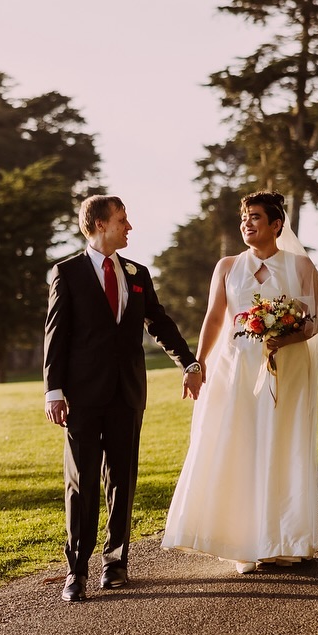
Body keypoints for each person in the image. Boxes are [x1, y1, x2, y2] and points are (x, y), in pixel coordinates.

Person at [44, 195, 203, 601]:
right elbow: (55, 335)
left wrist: (188, 362)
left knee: (122, 480)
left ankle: (115, 564)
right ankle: (77, 571)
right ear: (99, 224)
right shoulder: (67, 273)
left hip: (128, 393)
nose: (129, 227)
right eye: (122, 220)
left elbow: (159, 322)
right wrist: (53, 390)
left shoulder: (137, 273)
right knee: (81, 483)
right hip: (81, 397)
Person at [160, 190, 318, 574]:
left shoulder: (301, 266)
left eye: (255, 217)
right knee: (240, 445)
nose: (246, 223)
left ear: (276, 224)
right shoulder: (228, 266)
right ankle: (242, 542)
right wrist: (197, 363)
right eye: (244, 217)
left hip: (286, 369)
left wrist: (285, 338)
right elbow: (214, 318)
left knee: (281, 444)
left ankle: (283, 540)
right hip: (234, 369)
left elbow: (315, 320)